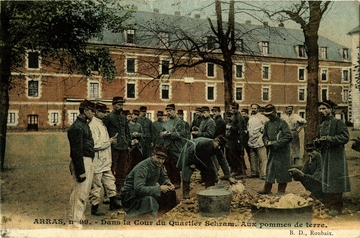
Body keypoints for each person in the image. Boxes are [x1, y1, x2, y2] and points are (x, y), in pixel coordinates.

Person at [120, 144, 178, 219]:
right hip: (131, 197)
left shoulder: (158, 165)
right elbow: (138, 189)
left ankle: (162, 216)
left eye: (163, 159)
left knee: (170, 193)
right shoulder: (142, 168)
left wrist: (167, 183)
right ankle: (147, 219)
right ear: (152, 155)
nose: (160, 161)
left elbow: (163, 177)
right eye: (158, 158)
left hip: (144, 192)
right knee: (151, 201)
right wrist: (159, 189)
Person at [314, 99, 350, 216]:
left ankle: (336, 207)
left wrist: (328, 139)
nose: (321, 111)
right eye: (320, 109)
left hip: (336, 156)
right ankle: (328, 204)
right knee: (327, 180)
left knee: (335, 180)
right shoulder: (322, 124)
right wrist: (317, 142)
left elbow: (344, 137)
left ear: (330, 110)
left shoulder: (337, 122)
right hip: (325, 155)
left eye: (324, 108)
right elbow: (321, 139)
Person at [88, 103, 122, 216]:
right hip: (98, 161)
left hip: (105, 160)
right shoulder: (93, 125)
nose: (104, 114)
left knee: (110, 181)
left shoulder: (101, 124)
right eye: (102, 112)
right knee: (96, 185)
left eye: (105, 112)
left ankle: (113, 202)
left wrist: (109, 141)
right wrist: (110, 142)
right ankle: (94, 207)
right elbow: (95, 145)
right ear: (96, 112)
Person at [177, 135, 235, 199]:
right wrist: (192, 163)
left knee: (211, 171)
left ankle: (209, 190)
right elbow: (190, 151)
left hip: (204, 157)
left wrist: (228, 176)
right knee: (186, 173)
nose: (219, 147)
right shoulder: (203, 143)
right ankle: (185, 194)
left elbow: (223, 161)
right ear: (215, 141)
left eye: (221, 146)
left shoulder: (218, 148)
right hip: (190, 153)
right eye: (218, 145)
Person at [67, 99, 95, 228]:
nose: (93, 113)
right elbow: (76, 151)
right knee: (79, 193)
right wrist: (81, 170)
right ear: (85, 111)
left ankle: (78, 218)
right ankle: (74, 222)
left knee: (83, 193)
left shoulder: (83, 124)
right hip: (82, 161)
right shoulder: (77, 127)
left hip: (87, 160)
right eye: (92, 111)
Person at [103, 96, 134, 196]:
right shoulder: (108, 118)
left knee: (122, 170)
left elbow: (127, 131)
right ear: (113, 105)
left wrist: (128, 142)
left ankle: (119, 190)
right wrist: (109, 142)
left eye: (121, 105)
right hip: (113, 148)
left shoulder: (123, 118)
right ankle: (108, 193)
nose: (120, 107)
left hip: (124, 147)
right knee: (110, 170)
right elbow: (104, 132)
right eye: (118, 105)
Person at [258, 104, 293, 195]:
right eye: (267, 115)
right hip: (272, 151)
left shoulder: (282, 123)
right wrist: (266, 142)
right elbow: (264, 136)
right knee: (270, 169)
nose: (268, 116)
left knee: (282, 170)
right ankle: (267, 189)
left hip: (282, 151)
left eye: (270, 114)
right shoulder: (267, 124)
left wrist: (275, 143)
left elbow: (288, 137)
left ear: (275, 112)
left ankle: (281, 190)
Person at [160, 104, 187, 188]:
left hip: (176, 147)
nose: (169, 113)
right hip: (167, 146)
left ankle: (177, 182)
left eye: (170, 111)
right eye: (167, 111)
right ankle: (171, 181)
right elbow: (161, 133)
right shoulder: (165, 123)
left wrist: (171, 134)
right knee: (167, 164)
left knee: (175, 165)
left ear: (174, 111)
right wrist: (163, 134)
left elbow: (182, 134)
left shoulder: (180, 122)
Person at [247, 103, 268, 179]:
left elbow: (267, 124)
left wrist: (263, 130)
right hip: (251, 140)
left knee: (262, 158)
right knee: (253, 158)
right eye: (252, 108)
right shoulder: (251, 117)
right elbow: (248, 127)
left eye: (255, 108)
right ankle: (254, 172)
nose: (253, 110)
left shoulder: (262, 117)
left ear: (258, 109)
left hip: (260, 140)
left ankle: (263, 173)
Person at [226, 102, 247, 178]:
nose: (232, 110)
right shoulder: (235, 116)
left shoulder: (238, 117)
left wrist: (230, 128)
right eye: (232, 108)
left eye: (233, 108)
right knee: (234, 156)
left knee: (238, 156)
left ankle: (241, 172)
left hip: (238, 140)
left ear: (236, 108)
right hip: (235, 139)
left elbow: (239, 129)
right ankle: (237, 170)